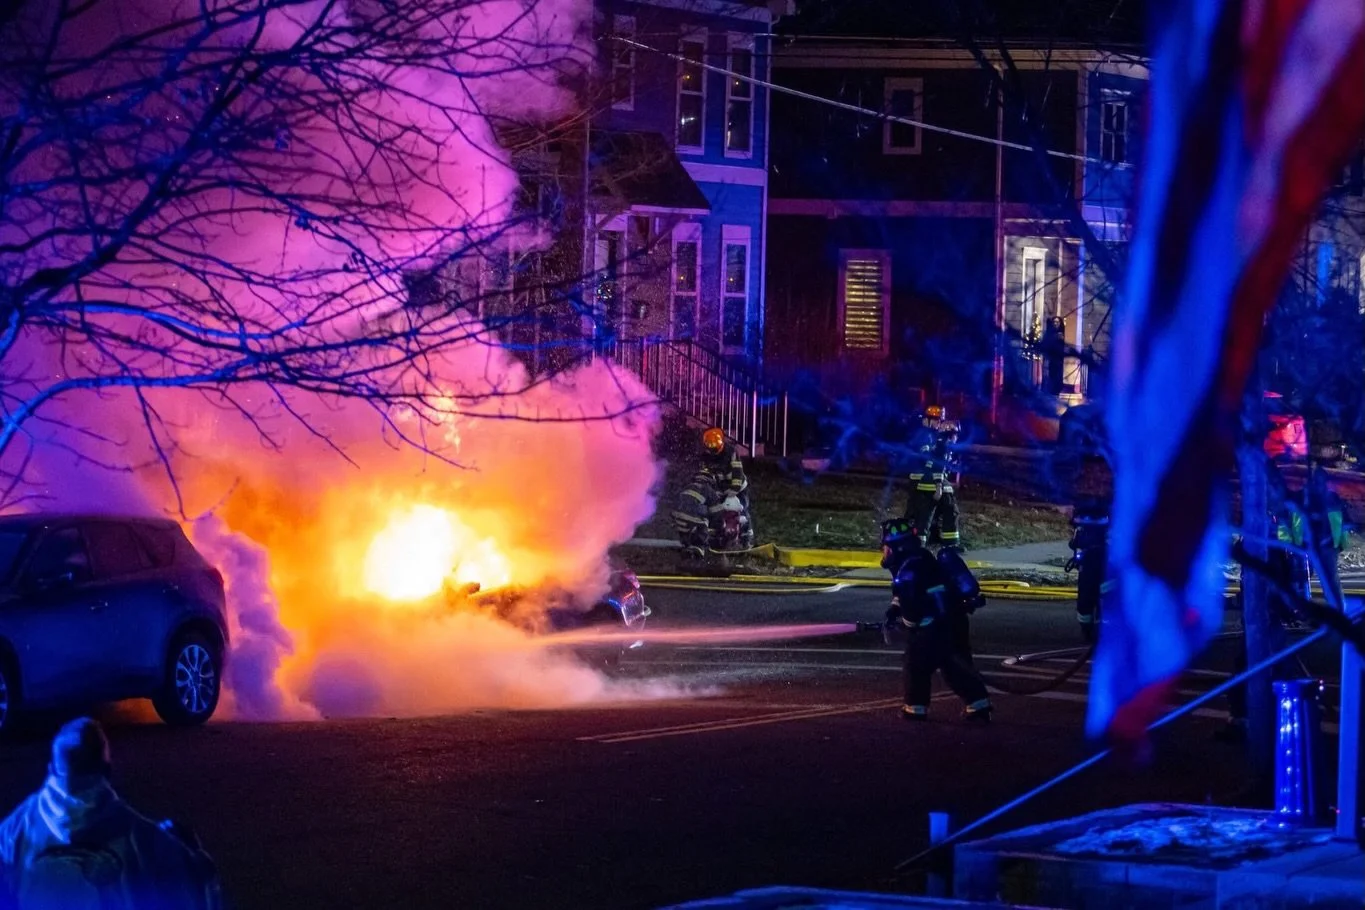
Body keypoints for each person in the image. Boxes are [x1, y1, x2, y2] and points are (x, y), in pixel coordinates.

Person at [0, 717, 221, 910]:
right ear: (107, 770)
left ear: (51, 769)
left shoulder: (16, 829)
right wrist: (192, 851)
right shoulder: (141, 837)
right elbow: (197, 884)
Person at [880, 518, 992, 722]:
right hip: (955, 621)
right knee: (956, 666)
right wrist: (894, 609)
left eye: (886, 547)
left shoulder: (908, 571)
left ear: (897, 547)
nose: (884, 552)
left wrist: (903, 627)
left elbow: (912, 614)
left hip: (933, 629)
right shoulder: (922, 558)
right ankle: (979, 707)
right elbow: (905, 596)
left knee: (915, 665)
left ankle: (915, 709)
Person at [906, 408, 963, 550]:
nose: (938, 424)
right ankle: (916, 540)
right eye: (935, 420)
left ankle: (932, 540)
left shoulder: (938, 438)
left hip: (932, 481)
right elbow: (925, 459)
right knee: (919, 513)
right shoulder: (924, 436)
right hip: (923, 480)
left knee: (932, 512)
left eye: (940, 421)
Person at [699, 427, 752, 547]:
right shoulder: (705, 457)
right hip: (720, 489)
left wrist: (734, 490)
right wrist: (713, 492)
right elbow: (706, 475)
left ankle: (746, 538)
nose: (713, 451)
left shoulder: (731, 452)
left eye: (715, 448)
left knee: (742, 511)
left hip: (738, 488)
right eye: (710, 448)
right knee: (715, 512)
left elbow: (737, 472)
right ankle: (715, 537)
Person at [1068, 497, 1111, 643]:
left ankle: (1089, 630)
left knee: (1088, 598)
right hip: (1102, 566)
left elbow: (1075, 542)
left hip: (1092, 566)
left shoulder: (1082, 522)